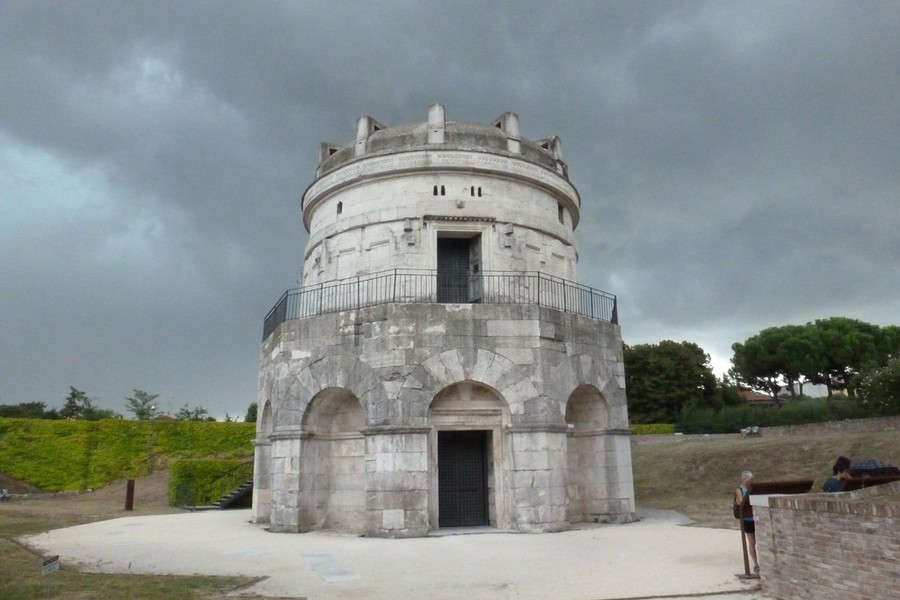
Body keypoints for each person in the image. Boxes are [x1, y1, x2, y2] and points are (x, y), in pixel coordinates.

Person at [734, 470, 759, 573]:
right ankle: (756, 564)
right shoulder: (739, 490)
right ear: (744, 480)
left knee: (758, 540)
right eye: (749, 481)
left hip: (755, 518)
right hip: (747, 519)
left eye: (751, 481)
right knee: (752, 541)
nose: (750, 483)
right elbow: (741, 502)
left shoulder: (752, 488)